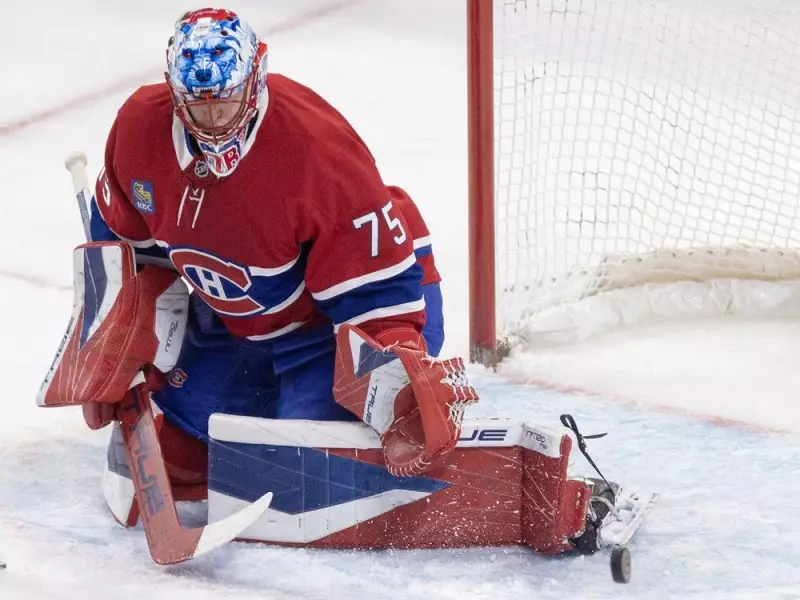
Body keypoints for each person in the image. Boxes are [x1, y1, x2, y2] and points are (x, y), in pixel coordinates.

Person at [86, 7, 474, 488]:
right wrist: (111, 339)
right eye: (199, 107)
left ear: (255, 79)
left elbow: (377, 292)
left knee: (301, 472)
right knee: (178, 450)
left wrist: (393, 370)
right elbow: (125, 249)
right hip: (238, 319)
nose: (213, 122)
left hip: (342, 320)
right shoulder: (139, 127)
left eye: (225, 103)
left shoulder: (315, 149)